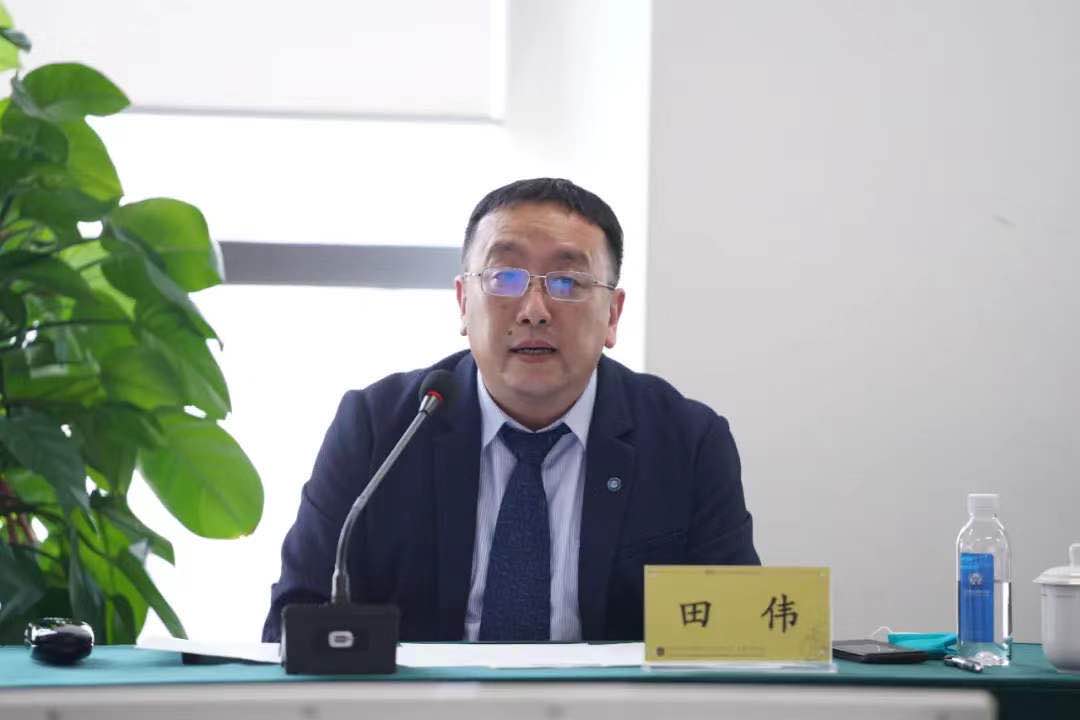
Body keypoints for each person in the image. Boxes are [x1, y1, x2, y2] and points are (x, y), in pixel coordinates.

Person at [262, 178, 759, 643]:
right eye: (504, 277)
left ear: (612, 314)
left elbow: (735, 640)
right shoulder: (379, 429)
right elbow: (297, 620)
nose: (534, 310)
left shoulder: (687, 442)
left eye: (568, 281)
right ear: (463, 302)